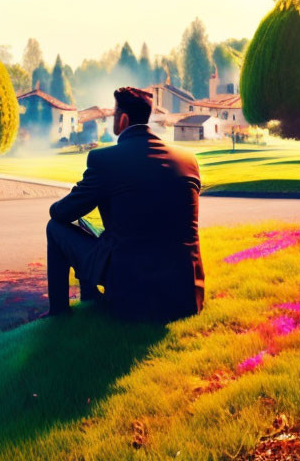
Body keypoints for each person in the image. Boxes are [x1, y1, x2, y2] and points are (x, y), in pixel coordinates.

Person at [45, 87, 205, 322]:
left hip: (133, 293)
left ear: (123, 119)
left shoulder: (105, 160)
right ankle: (90, 298)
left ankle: (58, 312)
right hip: (185, 295)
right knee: (105, 234)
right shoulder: (188, 160)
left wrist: (58, 207)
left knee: (55, 227)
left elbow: (63, 213)